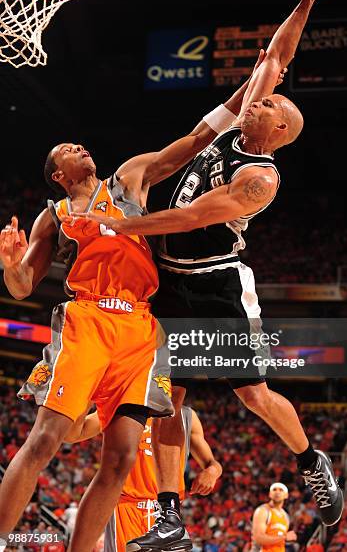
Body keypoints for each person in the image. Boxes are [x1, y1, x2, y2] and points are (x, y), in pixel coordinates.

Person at [72, 0, 344, 551]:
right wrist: (306, 0)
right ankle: (170, 514)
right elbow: (276, 58)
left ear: (281, 129)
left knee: (253, 395)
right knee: (171, 395)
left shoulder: (260, 177)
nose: (259, 102)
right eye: (260, 100)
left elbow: (192, 216)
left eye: (269, 107)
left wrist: (123, 224)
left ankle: (309, 462)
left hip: (217, 284)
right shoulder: (233, 126)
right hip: (169, 281)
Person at [0, 62, 263, 552]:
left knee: (120, 458)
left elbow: (195, 139)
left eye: (80, 143)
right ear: (59, 174)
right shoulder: (54, 215)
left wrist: (252, 88)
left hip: (141, 328)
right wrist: (12, 265)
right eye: (68, 150)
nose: (80, 146)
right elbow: (20, 288)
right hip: (89, 319)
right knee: (46, 438)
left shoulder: (128, 181)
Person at [64, 405, 222, 552]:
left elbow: (212, 463)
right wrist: (86, 397)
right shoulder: (122, 405)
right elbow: (73, 433)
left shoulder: (186, 415)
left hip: (167, 513)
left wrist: (212, 472)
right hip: (127, 509)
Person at [252, 483, 296, 552]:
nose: (277, 492)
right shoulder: (263, 511)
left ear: (286, 495)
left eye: (281, 490)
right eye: (274, 490)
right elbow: (258, 538)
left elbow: (279, 539)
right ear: (270, 494)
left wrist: (288, 539)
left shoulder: (285, 516)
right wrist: (284, 537)